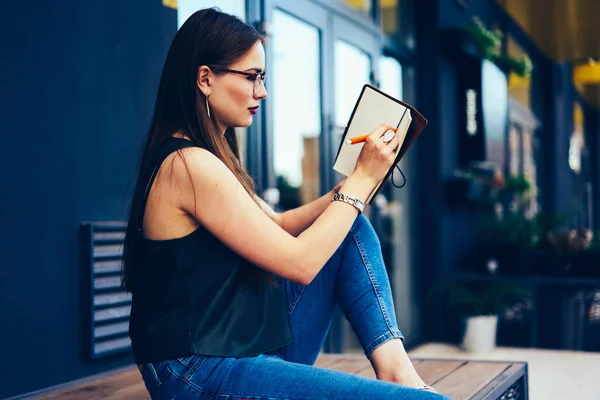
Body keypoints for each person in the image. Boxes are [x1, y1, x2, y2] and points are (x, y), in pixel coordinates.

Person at [122, 7, 447, 400]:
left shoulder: (207, 158)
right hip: (198, 372)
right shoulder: (189, 165)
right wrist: (360, 183)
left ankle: (397, 369)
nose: (262, 92)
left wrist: (356, 182)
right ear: (205, 78)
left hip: (234, 344)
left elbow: (278, 223)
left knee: (350, 228)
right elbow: (300, 265)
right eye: (251, 77)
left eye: (263, 78)